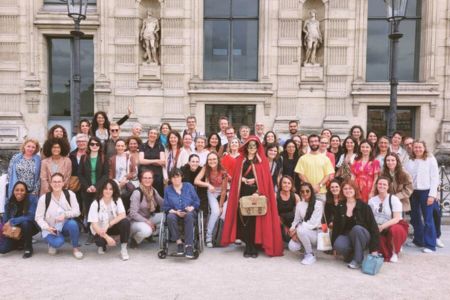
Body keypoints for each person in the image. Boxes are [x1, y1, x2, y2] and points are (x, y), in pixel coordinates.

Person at [221, 136, 284, 257]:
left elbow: (265, 180)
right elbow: (235, 177)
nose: (252, 148)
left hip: (256, 193)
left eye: (254, 146)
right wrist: (243, 179)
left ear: (257, 147)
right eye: (249, 146)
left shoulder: (262, 160)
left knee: (255, 221)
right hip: (242, 192)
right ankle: (248, 246)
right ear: (246, 147)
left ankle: (253, 247)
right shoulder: (240, 159)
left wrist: (257, 189)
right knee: (244, 220)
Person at [332, 180, 379, 269]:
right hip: (348, 235)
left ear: (355, 190)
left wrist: (374, 250)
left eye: (350, 188)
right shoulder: (340, 206)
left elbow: (374, 228)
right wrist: (333, 246)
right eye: (345, 189)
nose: (348, 191)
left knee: (357, 229)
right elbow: (336, 227)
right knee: (338, 244)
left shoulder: (364, 206)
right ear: (342, 191)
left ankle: (357, 260)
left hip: (363, 235)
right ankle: (356, 253)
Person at [35, 173, 83, 259]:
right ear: (50, 183)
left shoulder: (70, 194)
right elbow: (38, 217)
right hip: (51, 228)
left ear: (63, 183)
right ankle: (52, 242)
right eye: (54, 182)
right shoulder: (44, 198)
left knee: (73, 224)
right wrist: (47, 227)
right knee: (58, 243)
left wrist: (65, 215)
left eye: (59, 181)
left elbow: (77, 211)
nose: (57, 184)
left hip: (64, 225)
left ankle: (75, 249)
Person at [405, 140, 439, 253]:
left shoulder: (430, 159)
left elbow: (435, 177)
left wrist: (432, 195)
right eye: (416, 147)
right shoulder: (410, 160)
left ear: (424, 148)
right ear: (413, 149)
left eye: (420, 147)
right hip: (413, 192)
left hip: (426, 192)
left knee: (428, 218)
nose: (418, 149)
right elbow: (407, 176)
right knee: (415, 218)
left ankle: (430, 245)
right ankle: (418, 240)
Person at [368, 176, 408, 262]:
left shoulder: (394, 199)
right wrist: (376, 227)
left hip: (392, 224)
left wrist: (382, 226)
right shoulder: (372, 201)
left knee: (395, 230)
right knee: (381, 248)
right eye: (380, 184)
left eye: (384, 184)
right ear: (376, 185)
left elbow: (397, 218)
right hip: (378, 226)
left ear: (388, 186)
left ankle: (395, 252)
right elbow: (370, 217)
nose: (382, 186)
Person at [88, 179, 131, 260]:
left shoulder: (117, 199)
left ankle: (123, 249)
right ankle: (103, 245)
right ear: (102, 190)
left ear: (114, 190)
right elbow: (94, 225)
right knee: (100, 241)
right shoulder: (95, 203)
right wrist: (107, 238)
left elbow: (122, 215)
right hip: (101, 229)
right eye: (106, 188)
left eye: (110, 189)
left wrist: (109, 224)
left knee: (125, 222)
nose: (108, 191)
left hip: (112, 226)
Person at [163, 168, 200, 259]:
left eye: (178, 177)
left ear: (181, 177)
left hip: (189, 212)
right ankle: (179, 243)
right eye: (173, 177)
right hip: (175, 213)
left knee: (189, 216)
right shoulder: (168, 190)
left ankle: (189, 246)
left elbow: (197, 201)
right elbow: (166, 206)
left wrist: (192, 207)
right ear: (170, 179)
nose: (176, 179)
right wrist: (176, 212)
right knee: (170, 217)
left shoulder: (189, 186)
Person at [194, 152, 228, 248]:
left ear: (218, 160)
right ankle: (208, 237)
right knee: (215, 212)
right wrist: (208, 184)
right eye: (210, 159)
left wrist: (221, 205)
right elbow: (196, 181)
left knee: (223, 213)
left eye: (214, 159)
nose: (212, 161)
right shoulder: (206, 168)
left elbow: (224, 190)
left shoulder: (223, 172)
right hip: (211, 191)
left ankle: (220, 236)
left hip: (222, 192)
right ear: (207, 161)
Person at [78, 136, 109, 237]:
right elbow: (80, 174)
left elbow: (106, 175)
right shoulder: (84, 158)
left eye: (97, 144)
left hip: (99, 189)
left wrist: (96, 186)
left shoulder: (104, 157)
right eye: (92, 144)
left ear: (100, 146)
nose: (94, 146)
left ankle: (99, 233)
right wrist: (87, 186)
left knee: (98, 211)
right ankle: (91, 234)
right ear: (89, 146)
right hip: (86, 189)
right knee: (89, 211)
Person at [0, 182, 40, 258]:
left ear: (26, 191)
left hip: (30, 227)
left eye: (22, 190)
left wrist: (12, 221)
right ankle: (19, 242)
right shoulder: (9, 201)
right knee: (2, 249)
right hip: (14, 230)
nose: (19, 192)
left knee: (25, 223)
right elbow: (5, 220)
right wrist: (7, 227)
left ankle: (28, 248)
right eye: (17, 190)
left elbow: (31, 216)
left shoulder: (32, 198)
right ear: (13, 191)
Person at [288, 182, 324, 265]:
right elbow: (296, 220)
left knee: (300, 230)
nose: (305, 193)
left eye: (307, 191)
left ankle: (310, 254)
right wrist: (292, 230)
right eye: (302, 191)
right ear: (300, 193)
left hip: (316, 233)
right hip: (304, 231)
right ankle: (307, 248)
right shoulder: (300, 204)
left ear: (311, 191)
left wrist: (297, 230)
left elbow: (313, 223)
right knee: (292, 246)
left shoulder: (318, 204)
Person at [128, 170, 164, 248]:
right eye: (145, 178)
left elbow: (163, 203)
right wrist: (147, 221)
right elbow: (133, 213)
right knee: (147, 230)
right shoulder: (137, 193)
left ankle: (149, 234)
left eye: (149, 178)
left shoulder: (153, 191)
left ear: (153, 179)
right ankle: (134, 240)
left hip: (148, 217)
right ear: (141, 179)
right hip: (135, 221)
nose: (147, 180)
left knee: (167, 216)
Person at [295, 134, 335, 201]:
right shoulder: (302, 158)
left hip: (321, 192)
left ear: (319, 142)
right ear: (309, 143)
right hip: (306, 192)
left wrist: (319, 185)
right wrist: (310, 186)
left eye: (316, 141)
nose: (314, 143)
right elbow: (301, 174)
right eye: (311, 141)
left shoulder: (326, 159)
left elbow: (327, 175)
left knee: (321, 211)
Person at [108, 139, 138, 211]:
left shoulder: (130, 157)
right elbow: (110, 173)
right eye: (118, 146)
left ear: (125, 147)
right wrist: (116, 183)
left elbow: (134, 172)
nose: (120, 147)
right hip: (116, 182)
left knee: (126, 196)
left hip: (127, 182)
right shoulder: (112, 159)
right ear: (115, 147)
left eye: (122, 146)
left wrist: (125, 177)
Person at [139, 128, 166, 196]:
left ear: (157, 136)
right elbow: (141, 161)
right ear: (148, 134)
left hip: (157, 176)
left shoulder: (160, 146)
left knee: (158, 194)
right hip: (145, 174)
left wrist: (147, 161)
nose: (153, 135)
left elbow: (162, 162)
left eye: (155, 133)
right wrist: (156, 160)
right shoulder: (143, 146)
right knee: (145, 194)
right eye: (151, 133)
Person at [277, 175, 300, 242]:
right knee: (285, 238)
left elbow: (299, 214)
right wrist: (284, 227)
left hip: (292, 221)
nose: (286, 185)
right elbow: (274, 214)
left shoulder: (295, 196)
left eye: (289, 183)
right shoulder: (276, 195)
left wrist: (293, 228)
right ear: (281, 184)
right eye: (284, 183)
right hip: (280, 221)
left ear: (291, 185)